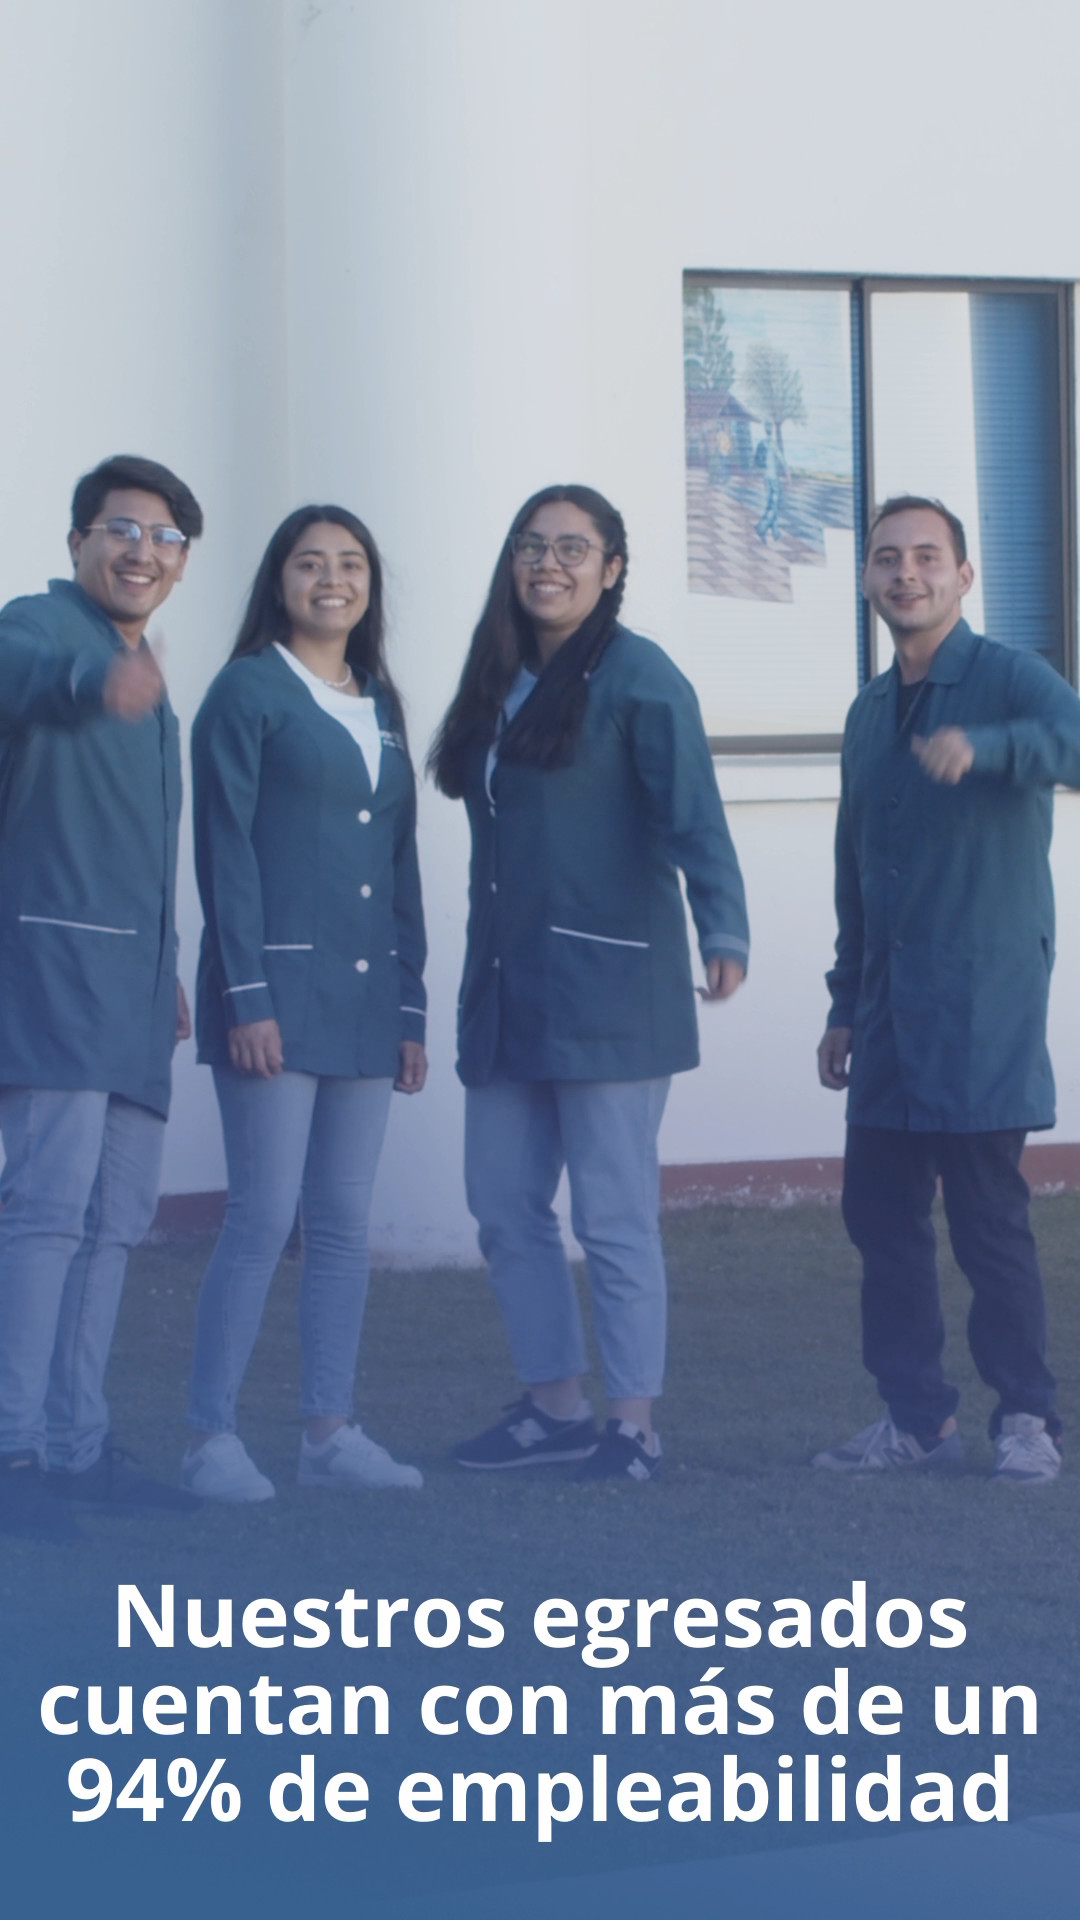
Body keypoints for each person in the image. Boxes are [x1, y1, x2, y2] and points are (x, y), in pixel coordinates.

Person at [429, 484, 748, 1482]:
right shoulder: (496, 676)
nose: (548, 563)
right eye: (532, 545)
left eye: (573, 547)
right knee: (502, 1204)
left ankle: (632, 1426)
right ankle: (554, 1406)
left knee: (613, 1216)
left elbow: (695, 814)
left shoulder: (641, 676)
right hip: (507, 989)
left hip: (610, 993)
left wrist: (722, 924)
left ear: (611, 570)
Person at [815, 495, 1080, 1485]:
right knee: (879, 1219)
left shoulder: (1009, 678)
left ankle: (1028, 1418)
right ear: (867, 579)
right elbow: (856, 869)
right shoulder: (867, 713)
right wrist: (843, 1002)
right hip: (887, 1014)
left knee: (986, 1222)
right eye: (888, 558)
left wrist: (993, 748)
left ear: (964, 576)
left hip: (980, 1008)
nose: (907, 573)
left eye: (928, 557)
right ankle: (917, 1421)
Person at [181, 506, 427, 1502]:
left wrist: (410, 1010)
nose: (333, 579)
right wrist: (246, 995)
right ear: (278, 581)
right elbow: (224, 854)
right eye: (310, 563)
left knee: (340, 1223)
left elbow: (399, 863)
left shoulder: (383, 702)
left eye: (351, 562)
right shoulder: (246, 692)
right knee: (262, 1216)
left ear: (371, 583)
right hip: (272, 998)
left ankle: (328, 1432)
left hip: (366, 1003)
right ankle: (208, 1439)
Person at [0, 453, 203, 1533]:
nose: (141, 550)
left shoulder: (148, 682)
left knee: (115, 1222)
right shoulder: (37, 630)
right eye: (120, 529)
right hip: (50, 978)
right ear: (77, 541)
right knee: (44, 1217)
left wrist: (163, 968)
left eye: (164, 537)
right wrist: (90, 687)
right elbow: (16, 677)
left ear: (181, 564)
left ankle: (76, 1447)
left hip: (131, 994)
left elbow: (130, 849)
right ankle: (13, 1454)